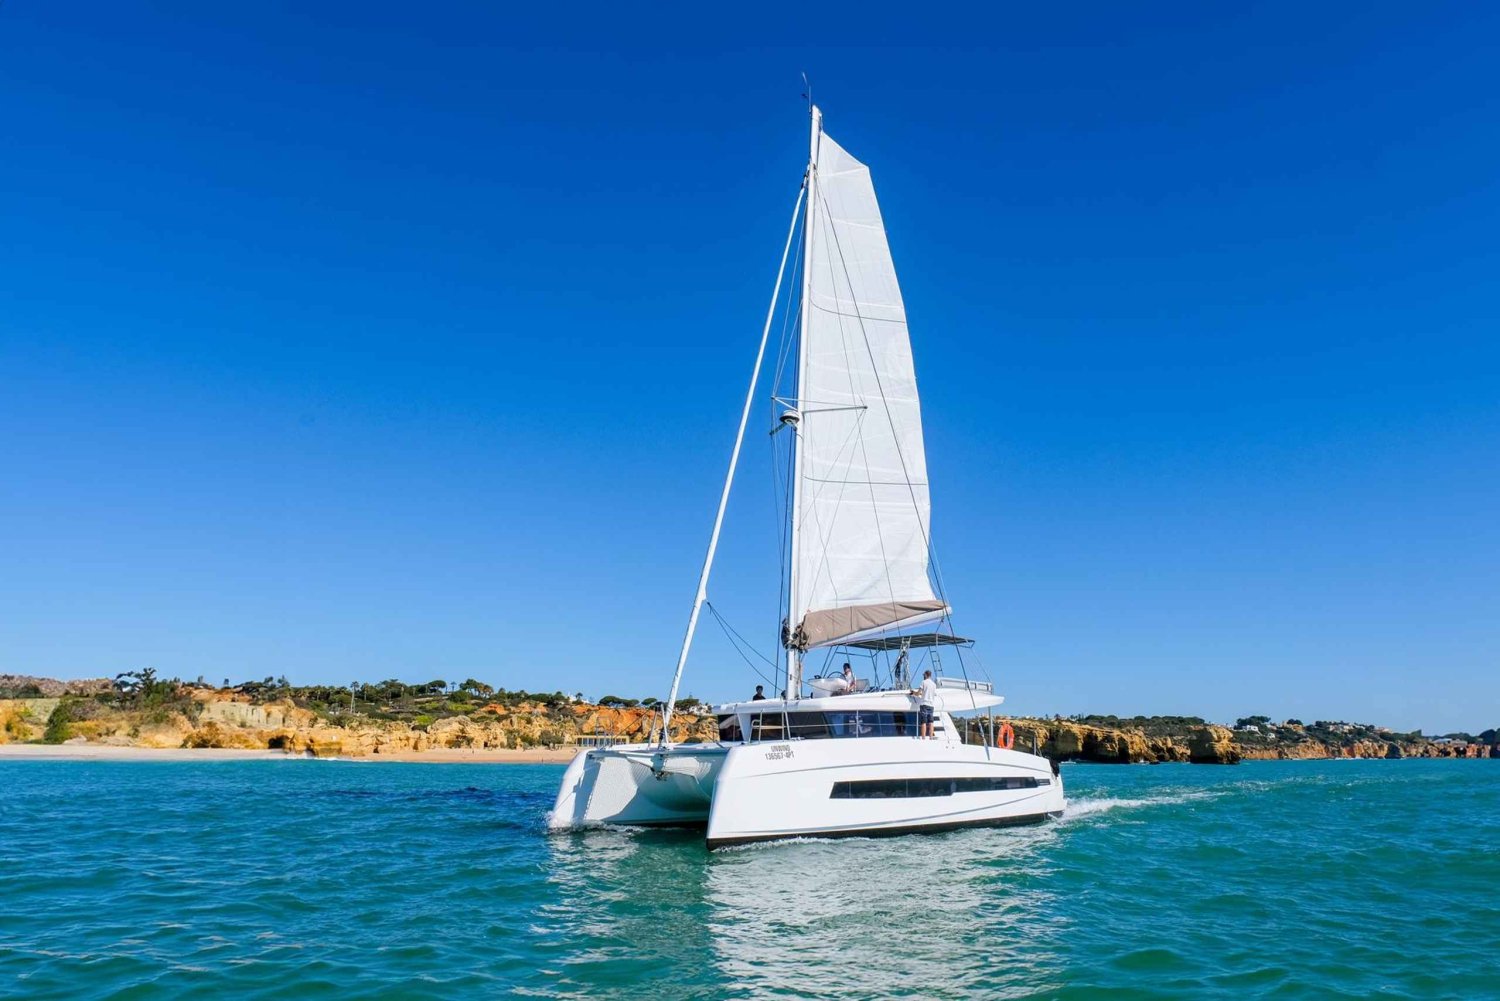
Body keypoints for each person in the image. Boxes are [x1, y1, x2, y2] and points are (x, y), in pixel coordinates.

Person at [910, 669, 937, 739]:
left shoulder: (923, 682)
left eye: (923, 675)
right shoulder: (934, 684)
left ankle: (923, 738)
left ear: (926, 675)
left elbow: (918, 693)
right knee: (931, 722)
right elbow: (932, 694)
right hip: (931, 705)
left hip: (924, 704)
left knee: (923, 722)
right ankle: (931, 737)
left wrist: (913, 692)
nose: (923, 676)